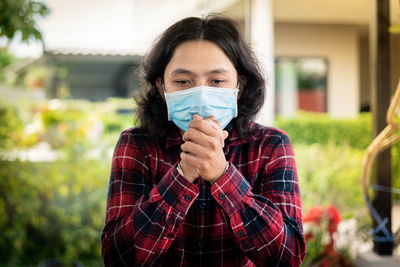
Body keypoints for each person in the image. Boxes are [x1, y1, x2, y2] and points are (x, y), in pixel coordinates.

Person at [101, 14, 305, 266]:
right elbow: (117, 258)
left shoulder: (271, 145)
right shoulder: (137, 145)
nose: (201, 94)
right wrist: (181, 176)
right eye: (183, 81)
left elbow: (288, 256)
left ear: (239, 85)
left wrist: (222, 174)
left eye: (217, 81)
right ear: (162, 87)